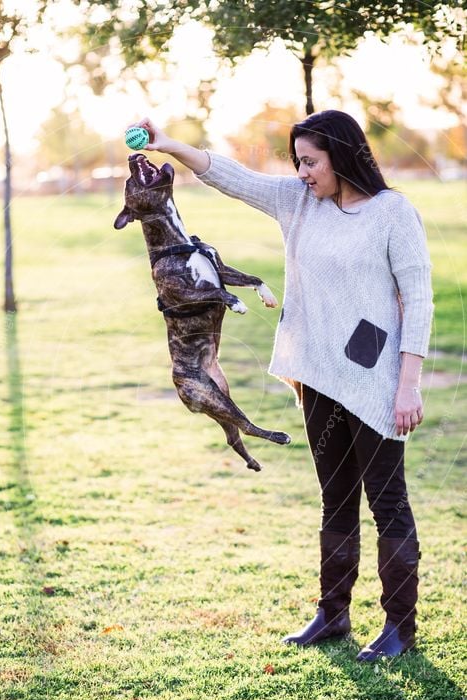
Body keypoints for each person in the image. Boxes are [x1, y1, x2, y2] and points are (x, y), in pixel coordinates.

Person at [131, 110, 434, 661]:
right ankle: (333, 615)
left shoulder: (393, 214)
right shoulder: (299, 203)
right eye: (297, 162)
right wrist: (171, 145)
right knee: (335, 499)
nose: (302, 172)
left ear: (342, 156)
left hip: (378, 382)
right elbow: (229, 175)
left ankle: (399, 628)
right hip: (318, 377)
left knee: (387, 502)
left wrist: (408, 385)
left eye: (311, 161)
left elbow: (418, 301)